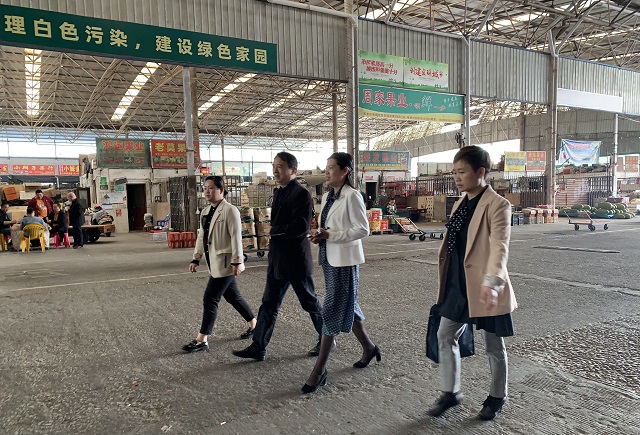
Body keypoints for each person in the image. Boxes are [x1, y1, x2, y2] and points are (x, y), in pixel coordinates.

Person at [427, 146, 517, 421]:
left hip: (485, 286)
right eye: (454, 172)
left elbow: (500, 247)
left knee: (493, 346)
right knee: (445, 335)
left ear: (480, 172)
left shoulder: (498, 205)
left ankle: (497, 397)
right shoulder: (459, 203)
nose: (457, 177)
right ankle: (450, 392)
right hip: (457, 284)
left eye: (462, 172)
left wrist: (492, 282)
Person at [233, 151, 324, 361]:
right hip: (277, 260)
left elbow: (301, 227)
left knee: (309, 302)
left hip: (295, 260)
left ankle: (327, 338)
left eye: (280, 166)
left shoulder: (301, 194)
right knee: (269, 303)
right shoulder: (278, 193)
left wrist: (274, 231)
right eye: (274, 166)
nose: (275, 170)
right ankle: (258, 346)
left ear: (293, 170)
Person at [302, 152, 380, 394]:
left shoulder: (352, 196)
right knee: (348, 305)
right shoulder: (328, 196)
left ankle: (319, 370)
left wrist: (331, 236)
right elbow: (328, 226)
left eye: (331, 168)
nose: (326, 172)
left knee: (332, 309)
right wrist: (320, 235)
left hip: (345, 262)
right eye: (326, 168)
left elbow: (362, 229)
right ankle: (369, 348)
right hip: (329, 257)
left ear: (345, 170)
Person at [183, 176, 257, 353]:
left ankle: (202, 339)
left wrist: (237, 261)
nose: (207, 191)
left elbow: (236, 237)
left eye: (210, 188)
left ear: (221, 190)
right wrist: (196, 258)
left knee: (210, 298)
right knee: (233, 297)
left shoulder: (230, 210)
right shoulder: (206, 211)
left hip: (226, 263)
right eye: (205, 188)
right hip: (214, 261)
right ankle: (255, 324)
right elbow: (201, 237)